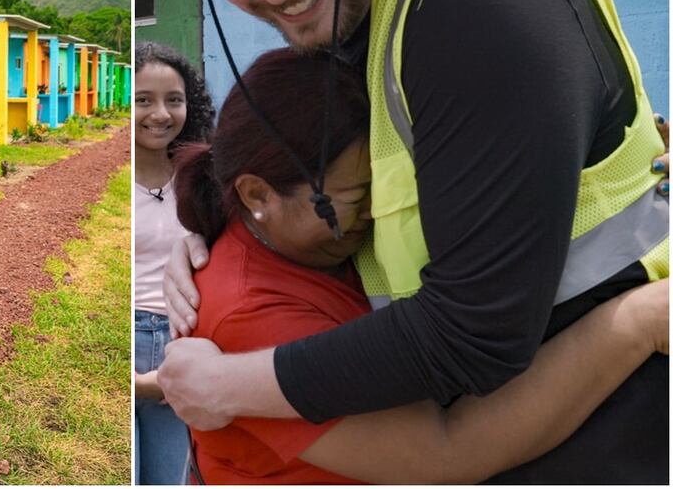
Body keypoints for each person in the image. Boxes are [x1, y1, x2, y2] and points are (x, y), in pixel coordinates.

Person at [135, 0, 670, 482]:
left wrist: (228, 384)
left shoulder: (476, 6)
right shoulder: (346, 34)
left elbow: (474, 335)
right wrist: (213, 239)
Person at [171, 46, 668, 484]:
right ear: (257, 194)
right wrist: (639, 324)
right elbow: (444, 454)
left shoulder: (313, 241)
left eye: (389, 188)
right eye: (358, 196)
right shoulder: (247, 314)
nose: (377, 211)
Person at [134, 42, 215, 484]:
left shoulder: (203, 178)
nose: (160, 114)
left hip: (181, 341)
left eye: (174, 100)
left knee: (169, 477)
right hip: (130, 336)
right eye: (143, 100)